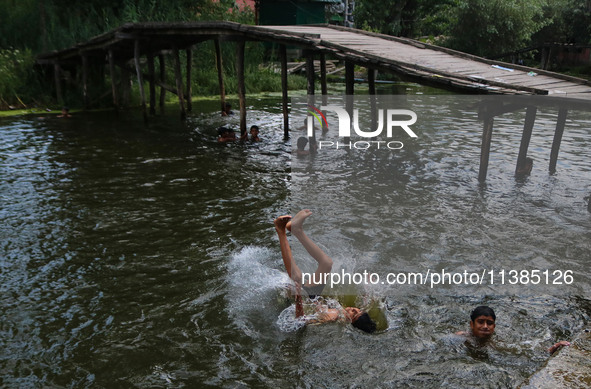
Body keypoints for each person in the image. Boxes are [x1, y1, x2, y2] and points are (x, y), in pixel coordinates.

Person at [274, 209, 377, 333]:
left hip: (302, 299)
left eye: (354, 314)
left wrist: (298, 301)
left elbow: (301, 320)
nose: (354, 309)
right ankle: (297, 230)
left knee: (297, 277)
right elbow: (368, 302)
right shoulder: (344, 313)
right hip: (312, 296)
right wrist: (368, 286)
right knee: (327, 263)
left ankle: (281, 231)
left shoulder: (332, 318)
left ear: (350, 322)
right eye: (358, 310)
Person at [457, 305, 570, 353]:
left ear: (494, 327)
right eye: (481, 322)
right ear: (472, 324)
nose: (485, 326)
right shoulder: (461, 336)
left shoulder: (496, 343)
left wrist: (555, 347)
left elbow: (525, 348)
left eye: (489, 323)